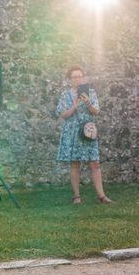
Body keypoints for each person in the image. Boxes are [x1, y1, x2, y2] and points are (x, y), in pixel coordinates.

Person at [56, 65, 112, 204]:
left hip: (88, 130)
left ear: (83, 78)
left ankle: (102, 196)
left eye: (80, 76)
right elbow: (63, 115)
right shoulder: (65, 95)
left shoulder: (90, 93)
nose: (77, 79)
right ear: (70, 80)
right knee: (75, 163)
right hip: (72, 131)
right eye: (74, 77)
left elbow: (96, 112)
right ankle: (76, 197)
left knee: (94, 163)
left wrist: (87, 102)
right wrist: (74, 105)